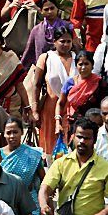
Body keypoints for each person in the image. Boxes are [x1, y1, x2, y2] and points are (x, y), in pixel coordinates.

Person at [39, 117, 108, 215]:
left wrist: (103, 214)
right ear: (73, 137)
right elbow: (45, 188)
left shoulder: (106, 168)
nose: (82, 141)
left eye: (87, 138)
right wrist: (44, 205)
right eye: (79, 137)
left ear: (94, 140)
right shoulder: (60, 163)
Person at [28, 24, 76, 155]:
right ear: (54, 42)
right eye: (62, 41)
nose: (65, 44)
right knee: (50, 145)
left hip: (73, 109)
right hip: (50, 109)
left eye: (68, 41)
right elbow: (36, 84)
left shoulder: (77, 58)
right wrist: (35, 109)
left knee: (71, 143)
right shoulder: (46, 58)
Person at [0, 118, 45, 215]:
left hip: (30, 201)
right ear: (4, 134)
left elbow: (44, 181)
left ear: (21, 132)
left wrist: (46, 202)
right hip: (6, 202)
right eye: (8, 133)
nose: (12, 136)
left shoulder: (33, 154)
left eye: (15, 132)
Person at [58, 51, 108, 133]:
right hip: (74, 124)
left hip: (95, 126)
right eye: (80, 64)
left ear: (92, 65)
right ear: (76, 66)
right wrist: (58, 122)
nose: (83, 67)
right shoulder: (70, 83)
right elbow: (60, 103)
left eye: (86, 64)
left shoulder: (100, 83)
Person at [20, 0, 74, 68]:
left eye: (52, 8)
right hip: (42, 69)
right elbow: (29, 53)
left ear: (57, 9)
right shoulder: (36, 30)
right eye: (46, 9)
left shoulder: (68, 26)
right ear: (41, 11)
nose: (50, 11)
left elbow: (75, 47)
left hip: (65, 66)